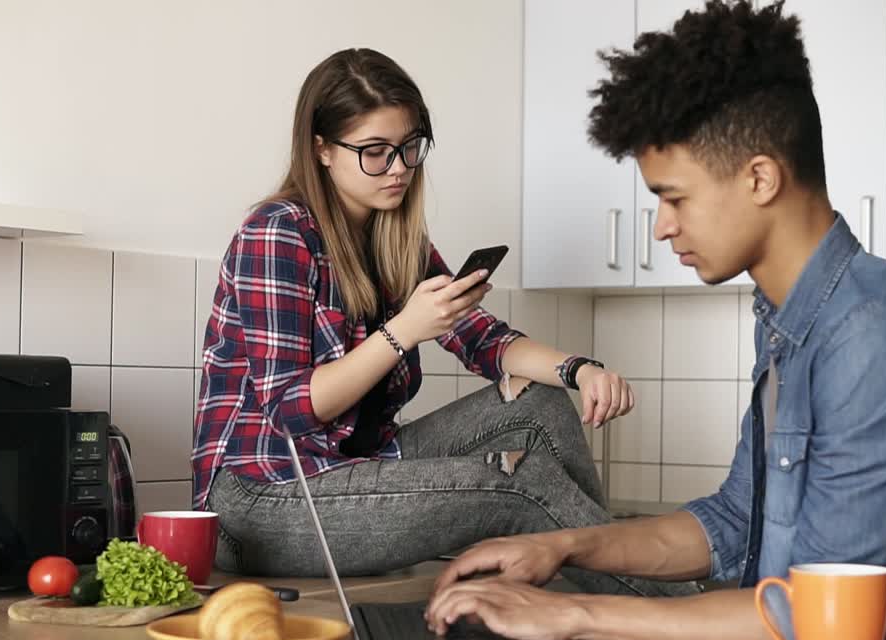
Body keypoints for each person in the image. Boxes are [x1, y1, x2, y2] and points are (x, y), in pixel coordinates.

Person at [425, 0, 886, 640]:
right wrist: (563, 547)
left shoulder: (871, 335)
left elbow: (813, 619)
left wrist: (573, 613)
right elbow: (732, 522)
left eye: (675, 198)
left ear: (760, 177)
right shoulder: (790, 322)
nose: (662, 227)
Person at [192, 48, 679, 597]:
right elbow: (290, 409)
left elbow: (482, 339)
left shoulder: (396, 238)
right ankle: (671, 611)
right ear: (321, 149)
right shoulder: (277, 232)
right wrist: (403, 329)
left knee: (540, 403)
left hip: (358, 465)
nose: (398, 167)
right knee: (522, 482)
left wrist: (580, 370)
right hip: (261, 501)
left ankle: (604, 588)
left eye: (408, 147)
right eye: (374, 152)